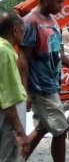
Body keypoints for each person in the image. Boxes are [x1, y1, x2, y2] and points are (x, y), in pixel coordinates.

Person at [18, 0, 69, 162]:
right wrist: (25, 92)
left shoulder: (52, 21)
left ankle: (16, 159)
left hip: (52, 84)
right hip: (40, 88)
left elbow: (57, 52)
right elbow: (23, 59)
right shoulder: (30, 23)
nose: (60, 6)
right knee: (61, 129)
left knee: (43, 128)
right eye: (58, 2)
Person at [0, 10, 29, 161]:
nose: (24, 34)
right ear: (15, 30)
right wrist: (19, 132)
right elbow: (8, 98)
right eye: (23, 30)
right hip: (8, 120)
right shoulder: (5, 52)